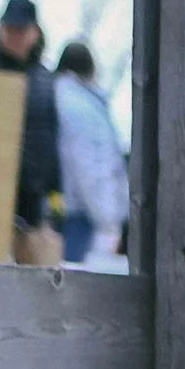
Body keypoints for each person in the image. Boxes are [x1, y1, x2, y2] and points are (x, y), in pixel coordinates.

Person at [0, 0, 62, 264]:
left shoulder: (44, 79)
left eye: (21, 30)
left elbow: (50, 140)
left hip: (29, 203)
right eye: (9, 29)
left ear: (35, 33)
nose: (14, 36)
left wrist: (55, 197)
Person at [50, 42, 128, 268]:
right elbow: (91, 165)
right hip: (80, 216)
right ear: (90, 70)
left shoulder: (59, 96)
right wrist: (109, 220)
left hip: (62, 209)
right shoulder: (82, 106)